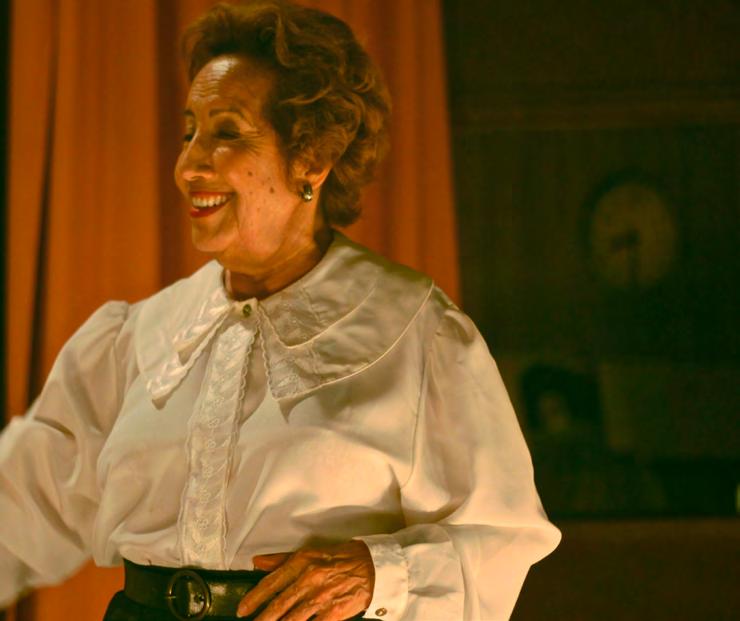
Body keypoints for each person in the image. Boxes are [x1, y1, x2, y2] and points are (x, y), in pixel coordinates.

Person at [0, 1, 560, 619]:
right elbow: (21, 505)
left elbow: (502, 538)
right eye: (189, 132)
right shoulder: (139, 337)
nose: (188, 166)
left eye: (227, 134)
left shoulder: (418, 335)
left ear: (310, 159)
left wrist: (381, 574)